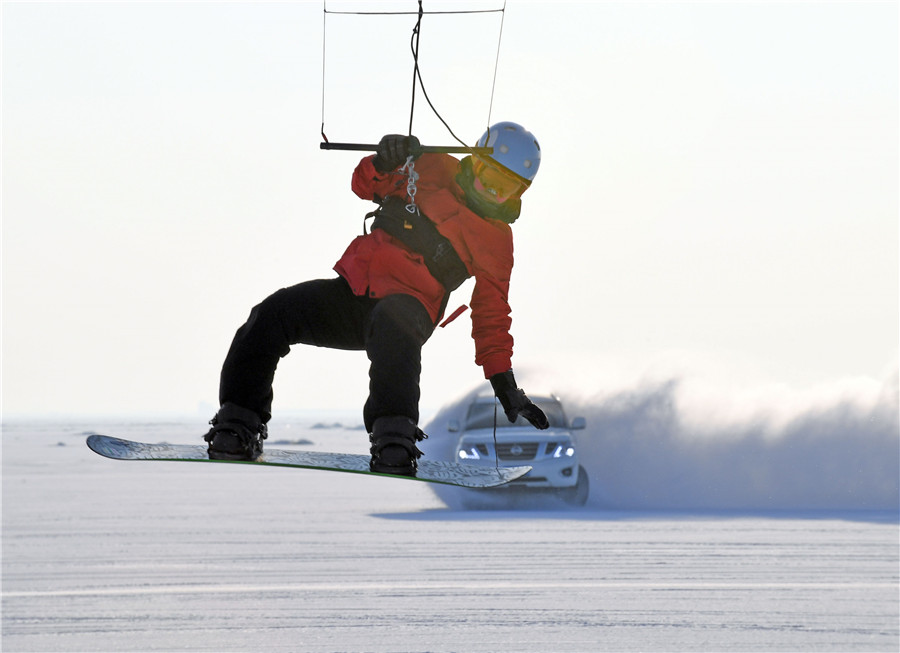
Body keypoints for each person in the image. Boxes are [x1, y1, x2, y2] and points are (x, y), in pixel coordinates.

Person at [204, 121, 549, 476]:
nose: (492, 191)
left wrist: (504, 383)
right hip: (354, 294)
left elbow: (492, 315)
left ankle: (394, 439)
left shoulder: (496, 241)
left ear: (521, 192)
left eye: (505, 187)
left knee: (393, 319)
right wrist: (384, 161)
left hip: (411, 308)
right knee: (272, 313)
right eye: (488, 176)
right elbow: (364, 184)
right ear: (474, 161)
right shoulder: (429, 165)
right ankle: (237, 426)